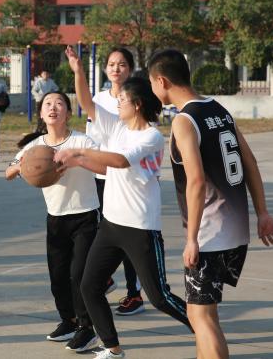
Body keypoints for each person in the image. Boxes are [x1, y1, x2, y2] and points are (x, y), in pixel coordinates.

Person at [56, 45, 193, 359]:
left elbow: (119, 161)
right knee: (89, 286)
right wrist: (78, 70)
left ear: (137, 104)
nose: (117, 102)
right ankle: (112, 348)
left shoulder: (151, 136)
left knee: (159, 297)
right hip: (111, 225)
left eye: (122, 100)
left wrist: (79, 152)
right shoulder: (117, 129)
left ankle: (205, 328)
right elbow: (89, 109)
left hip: (140, 228)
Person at [147, 49, 273, 359]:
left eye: (152, 83)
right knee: (206, 312)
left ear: (161, 81)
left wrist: (192, 238)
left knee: (200, 317)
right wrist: (262, 212)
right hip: (236, 232)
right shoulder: (219, 110)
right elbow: (250, 161)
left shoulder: (184, 121)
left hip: (209, 235)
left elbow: (195, 181)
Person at [6, 91, 101, 353]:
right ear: (41, 113)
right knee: (58, 277)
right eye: (48, 103)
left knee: (78, 275)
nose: (53, 107)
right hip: (56, 218)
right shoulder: (35, 147)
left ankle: (87, 328)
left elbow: (104, 166)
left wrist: (77, 159)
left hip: (85, 216)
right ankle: (68, 321)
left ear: (68, 113)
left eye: (59, 103)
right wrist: (24, 167)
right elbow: (9, 171)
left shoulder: (82, 141)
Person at [87, 48, 145, 316]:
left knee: (127, 236)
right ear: (105, 69)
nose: (116, 68)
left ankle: (134, 294)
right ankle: (106, 278)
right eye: (111, 64)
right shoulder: (99, 99)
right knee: (103, 232)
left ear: (130, 69)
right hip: (102, 175)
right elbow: (92, 136)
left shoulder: (138, 97)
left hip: (126, 177)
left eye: (122, 64)